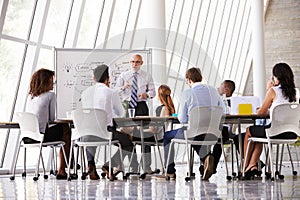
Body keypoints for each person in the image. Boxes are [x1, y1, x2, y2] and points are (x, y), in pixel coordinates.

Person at [157, 67, 224, 180]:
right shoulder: (213, 91)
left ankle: (170, 172)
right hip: (213, 131)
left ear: (188, 80)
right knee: (195, 135)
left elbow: (182, 119)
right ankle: (206, 159)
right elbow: (222, 110)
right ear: (201, 78)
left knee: (167, 136)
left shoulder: (187, 93)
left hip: (193, 131)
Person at [81, 64, 137, 180]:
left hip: (86, 134)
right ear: (108, 79)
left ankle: (90, 164)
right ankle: (109, 164)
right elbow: (121, 113)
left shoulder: (85, 93)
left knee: (91, 134)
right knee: (128, 144)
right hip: (105, 133)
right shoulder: (111, 92)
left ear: (94, 79)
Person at [243, 63, 298, 179]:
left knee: (249, 131)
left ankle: (245, 166)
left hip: (274, 132)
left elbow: (261, 112)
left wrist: (269, 90)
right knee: (259, 135)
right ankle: (253, 165)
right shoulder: (296, 92)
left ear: (277, 77)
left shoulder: (273, 91)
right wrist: (271, 110)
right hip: (292, 133)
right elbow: (282, 109)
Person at [25, 68, 71, 180]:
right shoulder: (50, 95)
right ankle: (62, 170)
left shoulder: (31, 97)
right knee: (66, 129)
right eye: (52, 80)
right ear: (46, 81)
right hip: (41, 136)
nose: (53, 83)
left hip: (27, 137)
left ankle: (69, 165)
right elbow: (51, 119)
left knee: (64, 131)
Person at [116, 54, 156, 173]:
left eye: (137, 62)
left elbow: (153, 92)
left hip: (141, 106)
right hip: (127, 105)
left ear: (141, 63)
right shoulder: (124, 75)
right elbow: (116, 90)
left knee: (146, 135)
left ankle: (147, 166)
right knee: (128, 135)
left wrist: (146, 95)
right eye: (132, 62)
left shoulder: (147, 75)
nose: (134, 64)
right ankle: (134, 165)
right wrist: (124, 87)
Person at [198, 80, 236, 175]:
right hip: (219, 131)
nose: (217, 89)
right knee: (215, 138)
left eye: (220, 87)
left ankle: (209, 164)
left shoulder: (230, 103)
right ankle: (211, 166)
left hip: (222, 130)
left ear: (226, 90)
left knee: (216, 136)